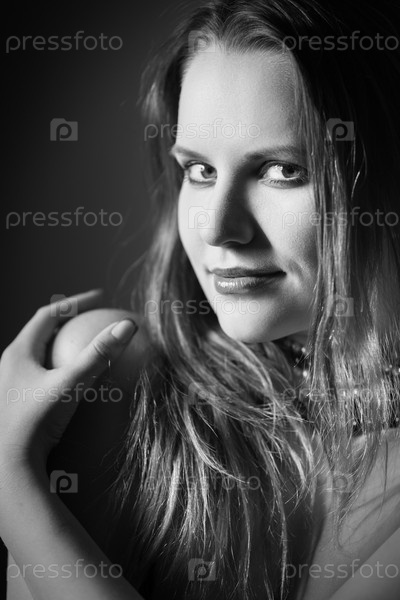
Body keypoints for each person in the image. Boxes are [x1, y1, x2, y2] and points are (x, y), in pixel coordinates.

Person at [1, 0, 400, 598]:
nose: (216, 228)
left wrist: (11, 489)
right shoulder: (110, 374)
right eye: (200, 171)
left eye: (283, 170)